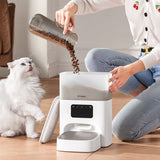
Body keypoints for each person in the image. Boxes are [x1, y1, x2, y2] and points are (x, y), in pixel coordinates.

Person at [56, 0, 160, 141]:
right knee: (95, 58)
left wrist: (129, 70)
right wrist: (70, 7)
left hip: (150, 62)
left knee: (122, 130)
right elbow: (89, 2)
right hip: (147, 63)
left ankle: (153, 108)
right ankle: (151, 105)